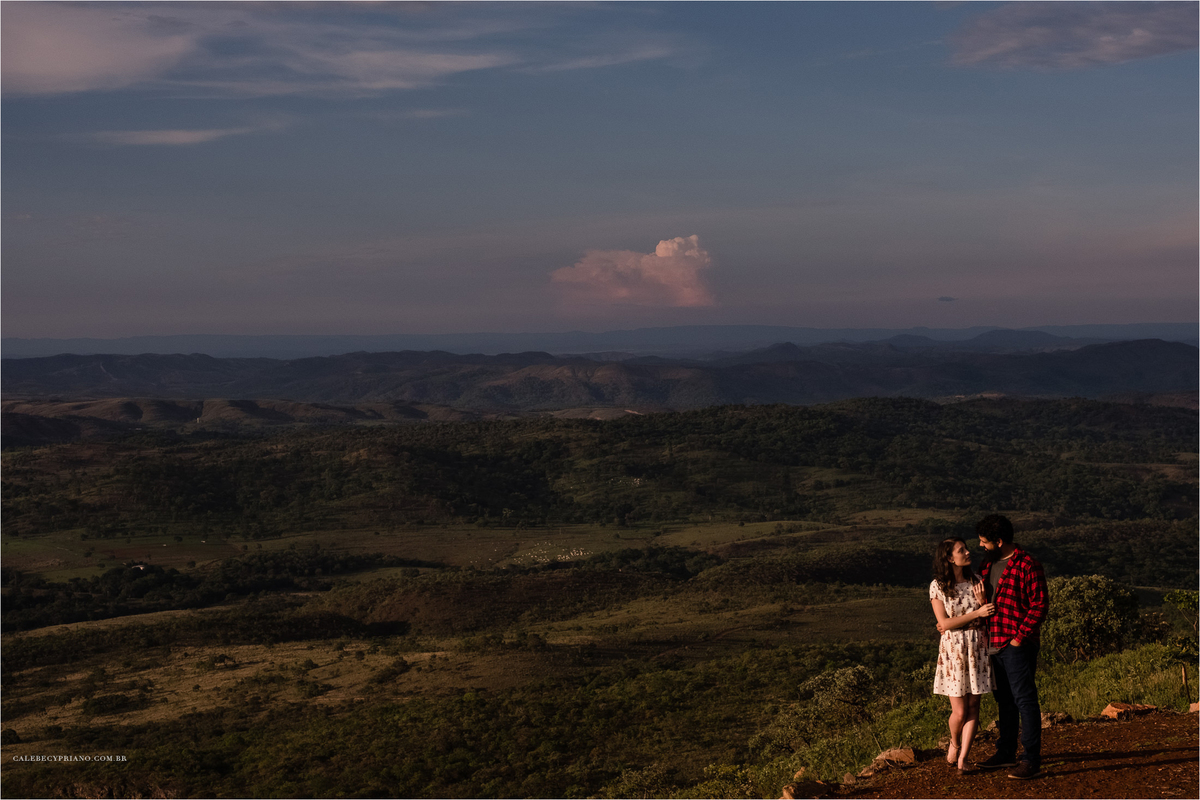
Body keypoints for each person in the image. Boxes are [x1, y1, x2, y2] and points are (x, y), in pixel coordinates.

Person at [974, 514, 1049, 780]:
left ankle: (1031, 759)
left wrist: (1019, 637)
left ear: (999, 540)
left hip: (1017, 644)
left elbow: (1040, 604)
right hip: (993, 643)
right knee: (1004, 701)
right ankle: (1005, 753)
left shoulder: (1027, 564)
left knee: (1024, 700)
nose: (981, 546)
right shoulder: (987, 565)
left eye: (985, 541)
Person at [929, 537, 995, 775]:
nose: (968, 552)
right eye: (961, 550)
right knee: (959, 711)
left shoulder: (976, 580)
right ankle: (954, 743)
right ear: (949, 558)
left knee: (974, 704)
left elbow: (986, 614)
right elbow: (944, 623)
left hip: (977, 644)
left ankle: (963, 759)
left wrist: (981, 604)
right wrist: (976, 611)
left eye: (966, 548)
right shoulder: (937, 585)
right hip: (954, 649)